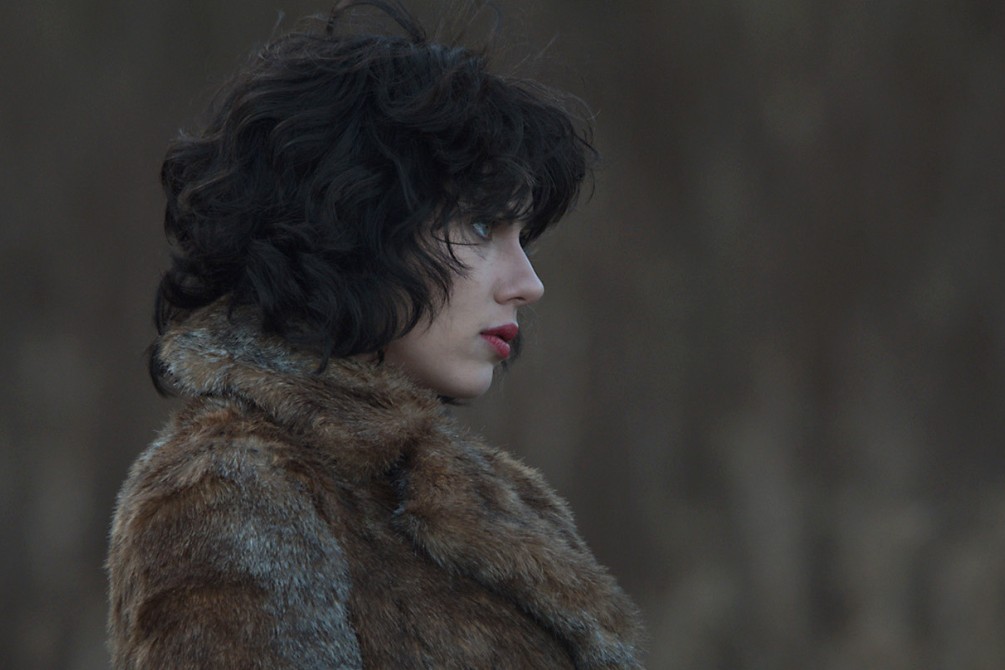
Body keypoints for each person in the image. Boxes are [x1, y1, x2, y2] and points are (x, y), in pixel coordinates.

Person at [106, 2, 644, 667]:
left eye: (521, 236)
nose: (526, 283)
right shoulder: (225, 487)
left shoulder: (498, 495)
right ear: (354, 230)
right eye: (481, 227)